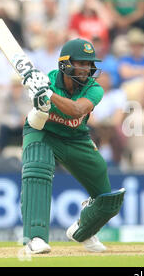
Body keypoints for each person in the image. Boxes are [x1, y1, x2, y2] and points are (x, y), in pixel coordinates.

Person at [19, 38, 125, 254]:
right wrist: (39, 98)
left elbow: (77, 110)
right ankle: (35, 237)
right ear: (65, 64)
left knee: (107, 200)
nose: (87, 68)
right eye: (81, 63)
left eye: (89, 64)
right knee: (38, 169)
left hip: (76, 138)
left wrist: (49, 94)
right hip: (43, 134)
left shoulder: (94, 89)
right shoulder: (48, 80)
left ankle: (83, 231)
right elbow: (38, 118)